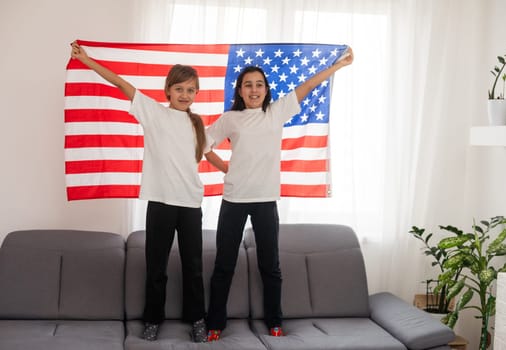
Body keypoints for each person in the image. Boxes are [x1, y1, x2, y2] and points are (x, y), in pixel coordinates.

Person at [70, 41, 227, 343]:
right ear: (168, 90)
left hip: (190, 204)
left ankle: (196, 318)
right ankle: (152, 319)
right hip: (160, 204)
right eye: (179, 89)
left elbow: (209, 155)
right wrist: (87, 61)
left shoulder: (197, 124)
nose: (185, 95)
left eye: (191, 90)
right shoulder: (154, 113)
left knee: (193, 267)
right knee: (157, 267)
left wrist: (232, 172)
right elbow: (120, 83)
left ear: (196, 94)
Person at [204, 47, 354, 341]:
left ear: (266, 89)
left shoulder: (276, 112)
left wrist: (337, 66)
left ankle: (275, 321)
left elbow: (308, 85)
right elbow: (204, 145)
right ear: (240, 90)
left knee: (269, 266)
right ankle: (215, 324)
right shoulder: (230, 119)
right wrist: (226, 167)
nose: (254, 89)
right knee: (224, 265)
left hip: (265, 201)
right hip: (234, 200)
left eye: (259, 84)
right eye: (248, 84)